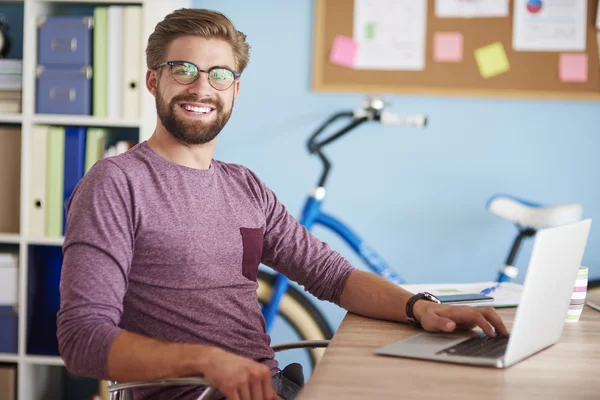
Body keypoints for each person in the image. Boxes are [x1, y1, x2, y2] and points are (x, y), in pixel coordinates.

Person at [57, 8, 508, 400]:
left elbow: (331, 276)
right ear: (154, 80)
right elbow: (81, 340)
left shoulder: (245, 186)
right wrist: (209, 362)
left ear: (236, 90)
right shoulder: (115, 184)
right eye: (184, 70)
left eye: (219, 74)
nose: (201, 88)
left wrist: (422, 307)